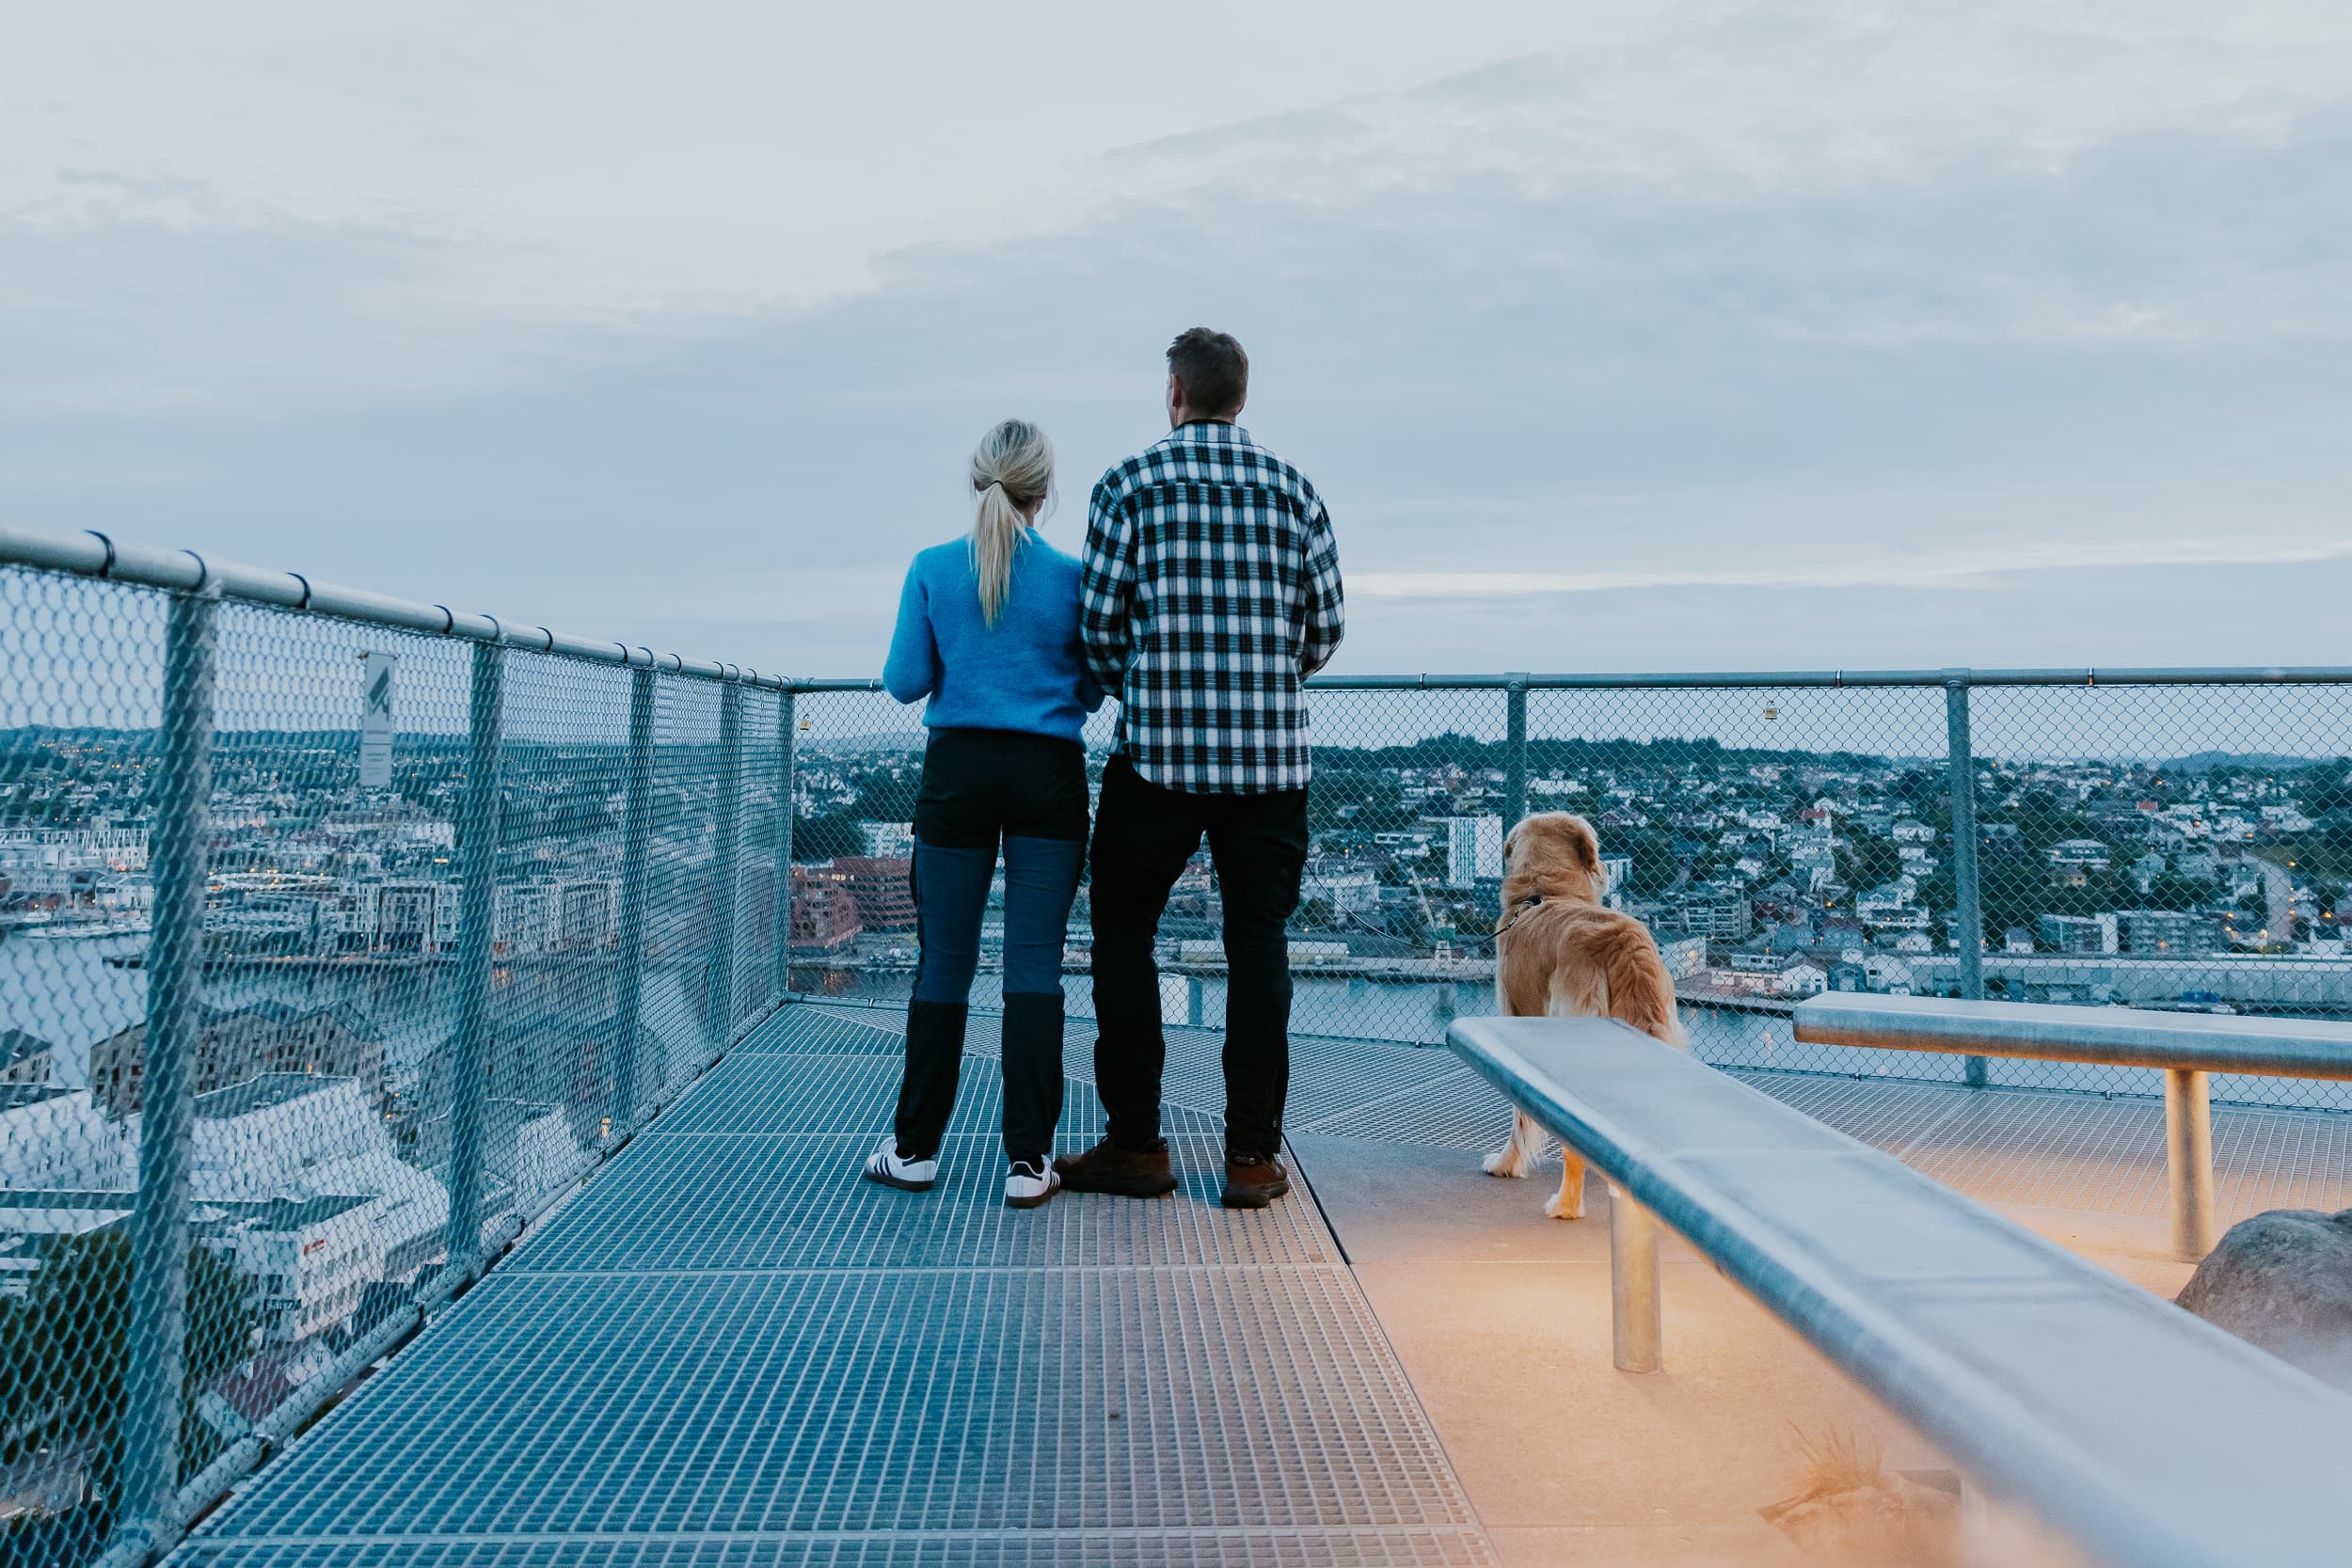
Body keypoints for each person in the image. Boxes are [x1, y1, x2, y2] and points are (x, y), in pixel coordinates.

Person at [1056, 328, 1344, 1210]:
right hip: (1268, 764)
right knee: (1259, 950)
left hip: (1157, 761)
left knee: (1123, 940)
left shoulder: (1127, 485)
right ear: (1241, 398)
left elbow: (1099, 629)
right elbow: (1324, 631)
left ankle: (1136, 1143)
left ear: (1174, 393)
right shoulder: (1296, 492)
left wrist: (1146, 680)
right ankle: (1252, 1157)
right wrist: (1258, 675)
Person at [865, 418, 1102, 1209]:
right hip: (1047, 775)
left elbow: (903, 681)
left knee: (944, 967)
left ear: (979, 482)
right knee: (1034, 968)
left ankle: (915, 1149)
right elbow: (1097, 685)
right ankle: (1029, 1162)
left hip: (958, 774)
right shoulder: (1073, 576)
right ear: (1045, 490)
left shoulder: (933, 568)